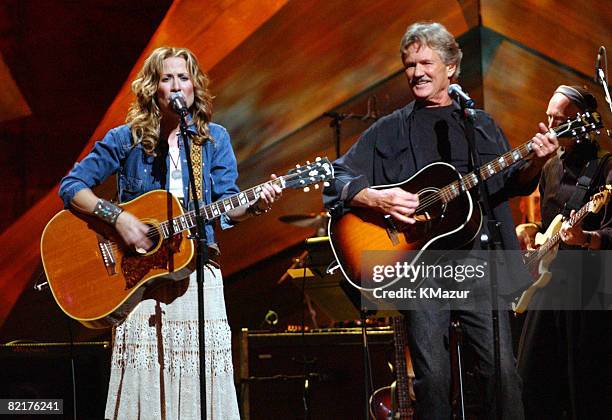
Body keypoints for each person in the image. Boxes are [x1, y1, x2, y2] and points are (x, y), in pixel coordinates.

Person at [323, 22, 558, 419]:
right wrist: (376, 198)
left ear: (451, 68)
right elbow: (337, 177)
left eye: (426, 62)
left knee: (502, 373)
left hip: (479, 267)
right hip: (421, 269)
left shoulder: (480, 126)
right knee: (431, 380)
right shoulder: (390, 129)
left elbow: (511, 185)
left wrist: (537, 160)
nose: (417, 72)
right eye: (410, 64)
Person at [59, 46, 281, 419]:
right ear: (153, 88)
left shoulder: (213, 140)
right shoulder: (125, 139)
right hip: (140, 279)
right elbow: (72, 186)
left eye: (184, 77)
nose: (177, 86)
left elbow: (227, 205)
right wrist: (119, 218)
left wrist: (256, 203)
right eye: (167, 78)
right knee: (145, 386)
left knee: (202, 384)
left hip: (198, 272)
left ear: (195, 86)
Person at [516, 85, 612, 419]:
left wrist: (586, 238)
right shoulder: (550, 168)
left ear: (582, 124)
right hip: (548, 283)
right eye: (549, 117)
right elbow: (548, 224)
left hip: (589, 289)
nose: (550, 125)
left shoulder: (605, 167)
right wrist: (535, 238)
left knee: (585, 387)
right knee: (531, 383)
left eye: (560, 119)